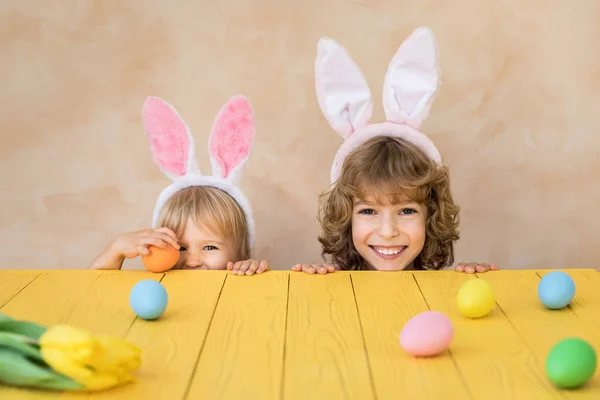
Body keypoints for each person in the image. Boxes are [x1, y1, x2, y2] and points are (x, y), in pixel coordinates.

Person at [292, 27, 499, 275]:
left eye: (407, 210)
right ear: (346, 219)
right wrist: (311, 284)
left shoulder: (445, 287)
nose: (388, 231)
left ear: (431, 217)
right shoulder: (330, 284)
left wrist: (473, 279)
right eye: (368, 211)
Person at [89, 95, 268, 275]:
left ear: (242, 252)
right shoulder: (160, 285)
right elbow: (90, 292)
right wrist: (115, 251)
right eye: (181, 248)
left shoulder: (242, 279)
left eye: (209, 248)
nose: (192, 261)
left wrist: (252, 275)